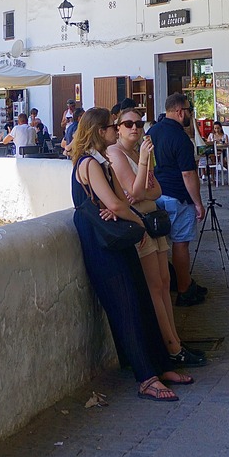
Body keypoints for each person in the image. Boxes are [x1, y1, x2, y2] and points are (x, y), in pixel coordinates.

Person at [70, 108, 192, 402]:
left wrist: (123, 212)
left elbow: (122, 200)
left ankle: (160, 366)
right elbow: (115, 204)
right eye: (112, 127)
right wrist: (139, 224)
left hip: (114, 238)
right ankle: (146, 377)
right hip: (103, 243)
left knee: (140, 300)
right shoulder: (89, 164)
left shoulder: (102, 162)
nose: (115, 131)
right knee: (126, 307)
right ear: (100, 131)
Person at [107, 109, 205, 369]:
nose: (135, 128)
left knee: (164, 283)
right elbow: (136, 191)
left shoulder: (139, 152)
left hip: (154, 220)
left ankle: (175, 341)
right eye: (128, 124)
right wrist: (143, 164)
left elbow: (156, 189)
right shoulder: (117, 153)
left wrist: (144, 172)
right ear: (117, 128)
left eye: (139, 124)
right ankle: (170, 347)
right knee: (154, 287)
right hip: (140, 224)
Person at [147, 93, 207, 307]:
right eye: (190, 110)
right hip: (178, 197)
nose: (190, 114)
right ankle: (184, 289)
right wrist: (198, 203)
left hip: (156, 196)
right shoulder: (181, 138)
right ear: (180, 111)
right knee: (180, 244)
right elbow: (188, 174)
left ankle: (173, 286)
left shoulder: (152, 132)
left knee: (160, 246)